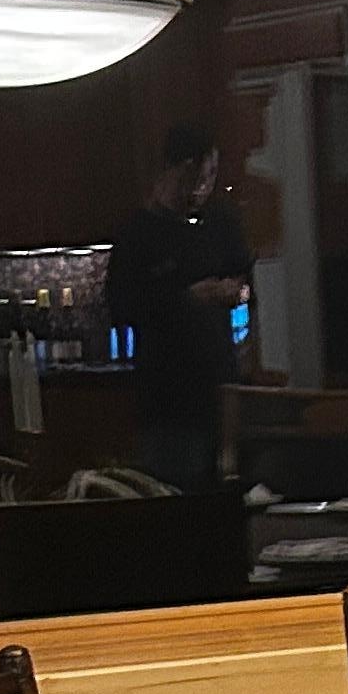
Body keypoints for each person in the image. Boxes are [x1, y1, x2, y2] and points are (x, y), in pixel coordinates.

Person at [108, 125, 252, 490]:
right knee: (175, 500)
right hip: (167, 399)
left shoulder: (220, 224)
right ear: (180, 169)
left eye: (212, 177)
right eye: (202, 176)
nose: (206, 187)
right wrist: (188, 298)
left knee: (227, 497)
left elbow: (246, 285)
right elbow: (120, 307)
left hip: (222, 395)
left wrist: (237, 294)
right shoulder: (139, 234)